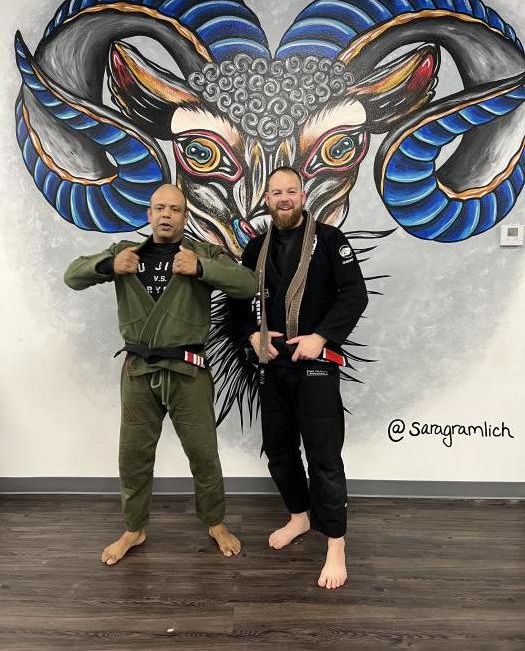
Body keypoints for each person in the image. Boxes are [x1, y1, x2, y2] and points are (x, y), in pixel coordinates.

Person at [64, 183, 256, 565]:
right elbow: (73, 275)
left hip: (188, 371)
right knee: (133, 456)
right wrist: (108, 266)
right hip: (138, 372)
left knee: (204, 454)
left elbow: (247, 284)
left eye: (175, 209)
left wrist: (201, 268)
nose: (167, 214)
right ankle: (133, 528)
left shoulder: (202, 253)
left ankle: (215, 523)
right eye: (160, 208)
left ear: (185, 216)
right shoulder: (125, 252)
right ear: (149, 214)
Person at [229, 166, 368, 589]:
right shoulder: (255, 248)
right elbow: (238, 302)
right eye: (277, 192)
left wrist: (321, 336)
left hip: (316, 366)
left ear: (303, 196)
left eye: (291, 191)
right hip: (274, 367)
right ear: (266, 199)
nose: (284, 198)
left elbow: (355, 294)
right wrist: (252, 335)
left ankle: (336, 545)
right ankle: (299, 517)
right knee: (279, 451)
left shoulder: (330, 240)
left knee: (324, 458)